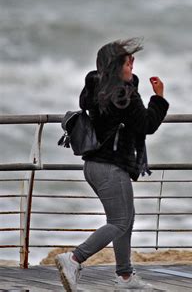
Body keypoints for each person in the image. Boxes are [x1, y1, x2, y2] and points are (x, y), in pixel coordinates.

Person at [54, 38, 169, 291]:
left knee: (124, 220)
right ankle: (73, 259)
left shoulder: (98, 90)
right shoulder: (123, 95)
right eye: (129, 62)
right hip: (111, 166)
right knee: (119, 222)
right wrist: (159, 98)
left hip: (95, 165)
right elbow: (147, 124)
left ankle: (125, 277)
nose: (133, 66)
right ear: (118, 66)